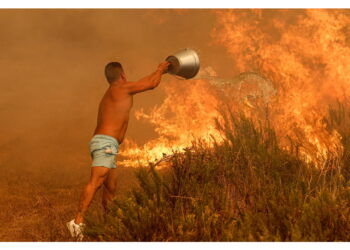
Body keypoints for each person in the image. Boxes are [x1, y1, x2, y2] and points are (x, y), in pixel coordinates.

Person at [66, 61, 170, 241]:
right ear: (122, 75)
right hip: (105, 143)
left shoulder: (116, 91)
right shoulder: (119, 89)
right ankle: (76, 223)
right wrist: (161, 69)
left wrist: (160, 71)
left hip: (108, 144)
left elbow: (146, 80)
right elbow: (151, 83)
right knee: (97, 181)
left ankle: (108, 222)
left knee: (111, 187)